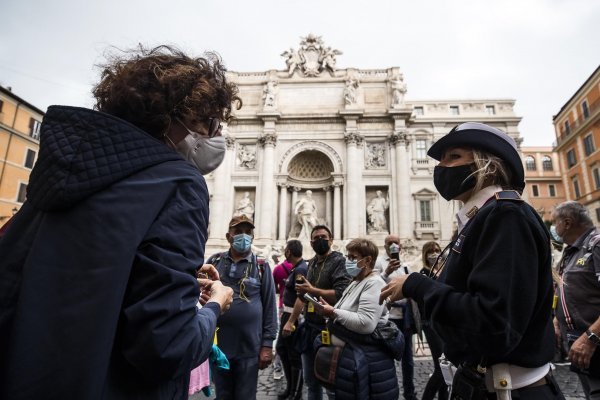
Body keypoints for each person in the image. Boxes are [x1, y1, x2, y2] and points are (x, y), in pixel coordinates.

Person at [0, 45, 237, 400]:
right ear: (177, 119)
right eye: (211, 124)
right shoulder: (179, 184)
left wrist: (169, 274)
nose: (216, 137)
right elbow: (166, 348)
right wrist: (214, 307)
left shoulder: (61, 174)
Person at [380, 122, 565, 399]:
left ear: (488, 165)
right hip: (479, 385)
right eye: (441, 159)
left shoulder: (505, 216)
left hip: (508, 391)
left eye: (454, 157)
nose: (441, 167)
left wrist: (417, 285)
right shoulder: (482, 218)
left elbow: (494, 323)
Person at [317, 238, 401, 399]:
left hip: (370, 364)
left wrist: (333, 313)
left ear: (368, 260)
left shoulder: (374, 283)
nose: (348, 261)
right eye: (347, 256)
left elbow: (366, 323)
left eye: (352, 257)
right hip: (355, 360)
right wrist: (329, 309)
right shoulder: (357, 282)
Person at [206, 215, 278, 400]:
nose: (244, 236)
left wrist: (267, 345)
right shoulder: (214, 262)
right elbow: (203, 299)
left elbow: (270, 306)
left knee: (245, 396)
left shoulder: (261, 266)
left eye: (248, 232)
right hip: (218, 346)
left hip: (249, 348)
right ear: (228, 236)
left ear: (253, 237)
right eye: (238, 232)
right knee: (222, 395)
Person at [282, 225, 351, 400]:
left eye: (324, 237)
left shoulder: (339, 261)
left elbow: (340, 294)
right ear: (311, 242)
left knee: (331, 382)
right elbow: (303, 296)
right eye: (316, 238)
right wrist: (291, 321)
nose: (320, 240)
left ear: (331, 240)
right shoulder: (311, 263)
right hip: (310, 328)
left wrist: (313, 289)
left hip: (332, 330)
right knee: (310, 382)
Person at [551, 201, 600, 399]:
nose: (553, 227)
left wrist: (591, 338)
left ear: (568, 223)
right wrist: (556, 319)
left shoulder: (596, 245)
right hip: (580, 350)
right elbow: (563, 289)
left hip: (592, 345)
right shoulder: (571, 251)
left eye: (555, 222)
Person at [376, 235, 418, 400]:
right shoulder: (379, 263)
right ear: (384, 246)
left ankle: (410, 393)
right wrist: (387, 272)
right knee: (387, 357)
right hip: (388, 318)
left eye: (396, 243)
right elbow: (373, 284)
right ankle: (389, 393)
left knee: (408, 359)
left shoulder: (406, 266)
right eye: (389, 243)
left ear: (400, 246)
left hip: (405, 318)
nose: (393, 246)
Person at [276, 240, 308, 400]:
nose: (284, 253)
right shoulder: (296, 268)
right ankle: (290, 388)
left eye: (286, 250)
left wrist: (290, 321)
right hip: (288, 315)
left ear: (289, 252)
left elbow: (301, 298)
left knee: (293, 353)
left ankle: (296, 394)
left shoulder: (301, 269)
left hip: (293, 317)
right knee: (283, 349)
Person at [418, 241, 448, 400]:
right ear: (425, 255)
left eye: (437, 250)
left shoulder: (443, 271)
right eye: (431, 251)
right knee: (440, 368)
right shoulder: (424, 273)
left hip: (442, 322)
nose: (435, 253)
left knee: (444, 366)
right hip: (430, 323)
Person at [272, 257, 294, 381]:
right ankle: (294, 368)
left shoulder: (278, 268)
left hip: (283, 306)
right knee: (294, 340)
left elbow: (273, 287)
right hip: (298, 308)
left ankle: (277, 369)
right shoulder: (302, 268)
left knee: (281, 337)